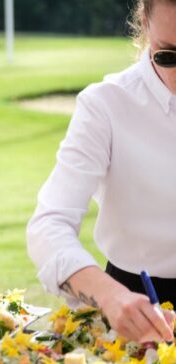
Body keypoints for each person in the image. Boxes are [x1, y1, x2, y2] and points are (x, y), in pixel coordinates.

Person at [27, 0, 176, 343]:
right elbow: (49, 225)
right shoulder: (106, 105)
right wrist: (109, 296)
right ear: (145, 24)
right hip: (135, 305)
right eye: (169, 56)